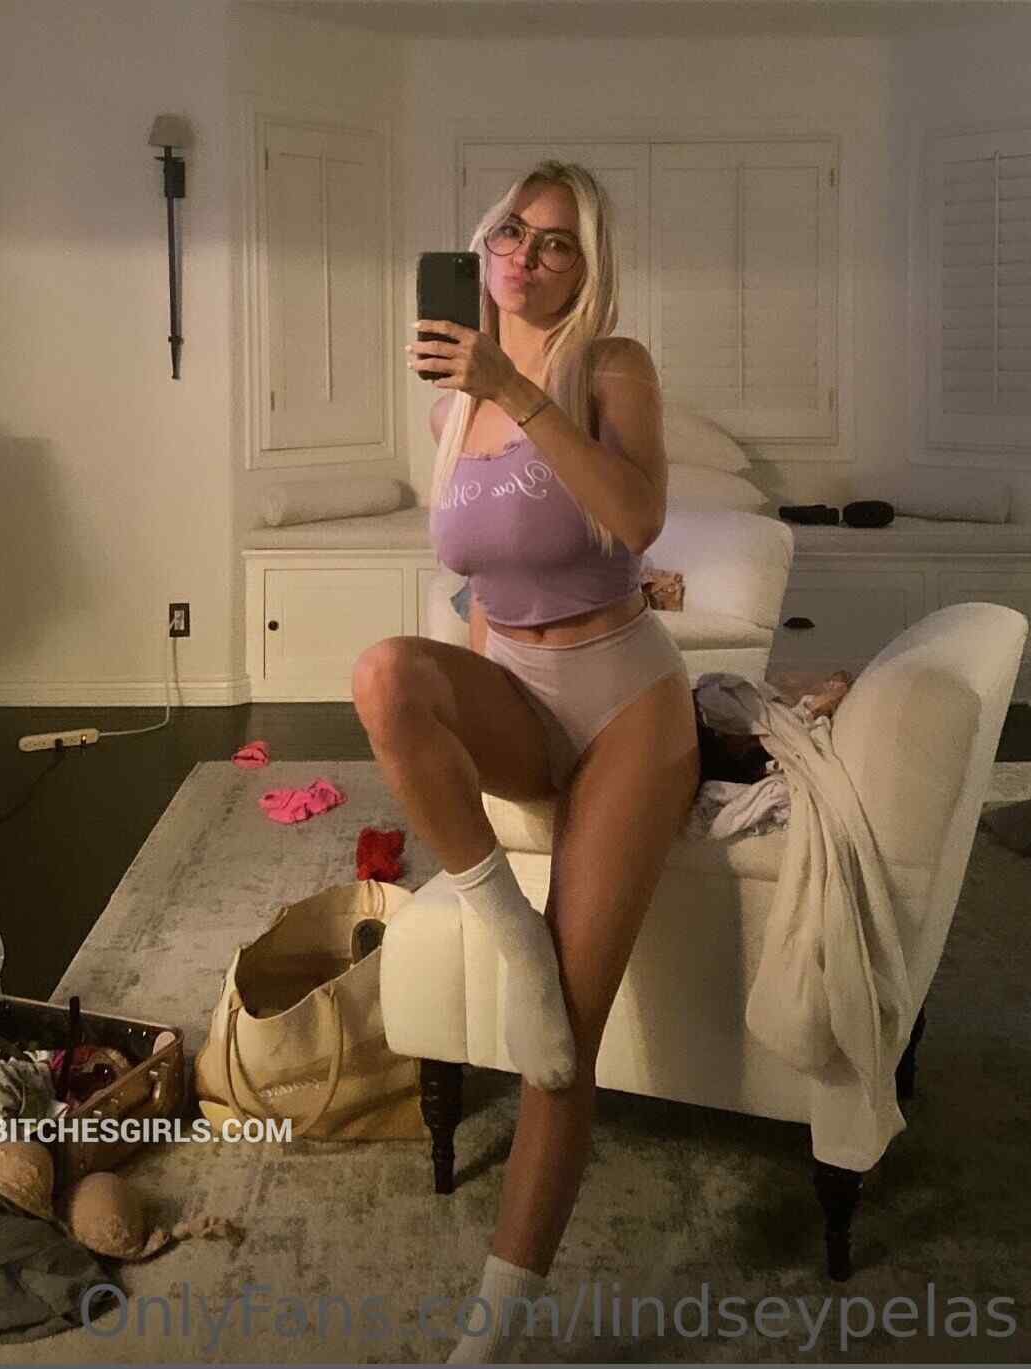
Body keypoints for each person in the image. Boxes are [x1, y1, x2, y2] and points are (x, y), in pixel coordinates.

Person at [351, 161, 701, 1364]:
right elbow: (478, 580)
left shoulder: (612, 367)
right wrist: (467, 701)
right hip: (517, 683)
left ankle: (488, 1341)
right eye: (513, 231)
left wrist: (515, 384)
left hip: (627, 702)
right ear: (484, 242)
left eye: (557, 243)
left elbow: (638, 519)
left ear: (587, 267)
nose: (527, 256)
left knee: (563, 1045)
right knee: (384, 674)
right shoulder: (451, 401)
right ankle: (509, 930)